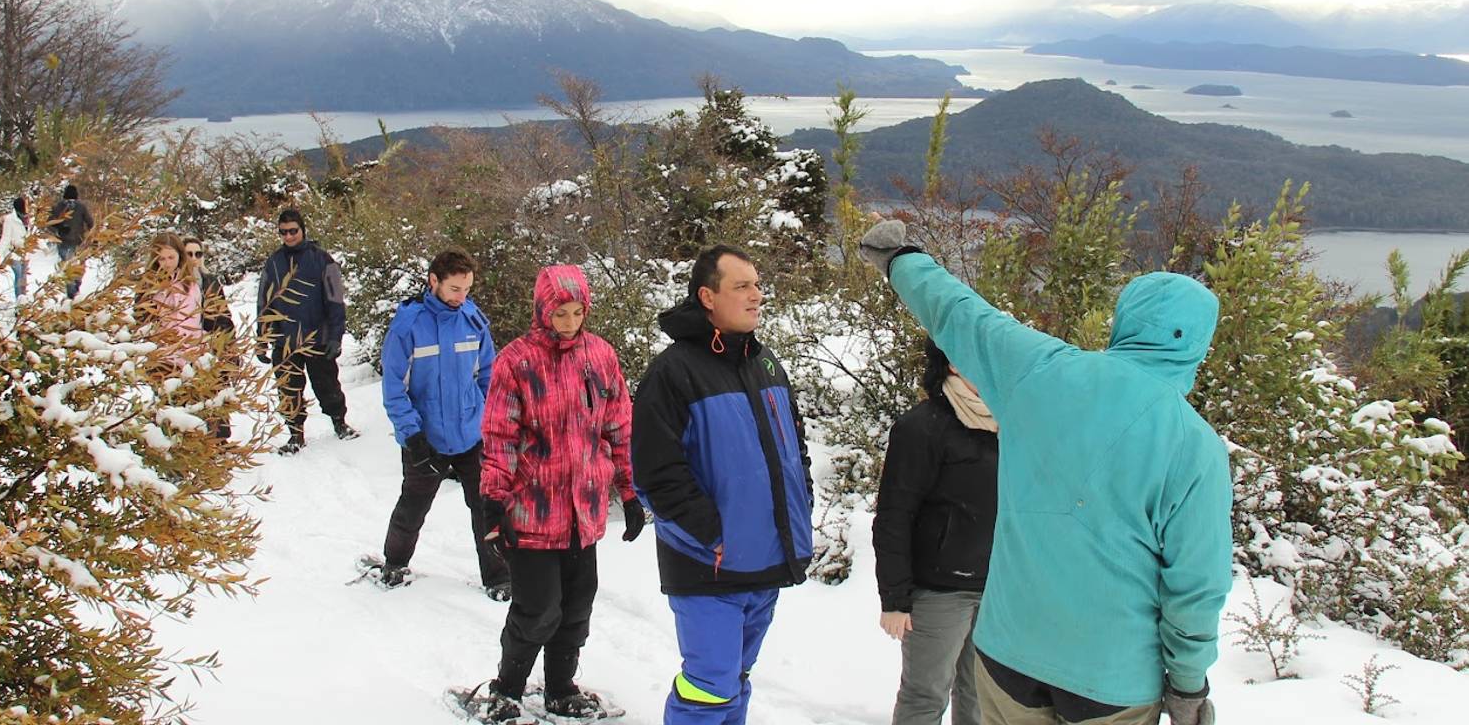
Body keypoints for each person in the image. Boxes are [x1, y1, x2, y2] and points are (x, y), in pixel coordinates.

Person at [858, 219, 1230, 725]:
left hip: (1009, 655)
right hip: (1112, 678)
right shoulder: (1195, 445)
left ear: (1124, 321)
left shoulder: (1040, 371)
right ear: (1198, 344)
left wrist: (899, 258)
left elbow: (960, 314)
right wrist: (1188, 688)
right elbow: (1196, 588)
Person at [631, 245, 813, 725]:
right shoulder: (672, 373)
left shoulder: (765, 362)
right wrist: (712, 532)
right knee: (709, 684)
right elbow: (654, 474)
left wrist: (801, 503)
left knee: (735, 677)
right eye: (742, 286)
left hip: (767, 556)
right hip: (707, 563)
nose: (757, 295)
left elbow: (795, 448)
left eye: (757, 284)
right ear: (707, 296)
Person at [472, 264, 644, 722]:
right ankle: (506, 689)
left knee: (575, 610)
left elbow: (619, 426)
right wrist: (494, 500)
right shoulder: (516, 361)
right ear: (542, 310)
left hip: (582, 513)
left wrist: (629, 492)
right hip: (532, 512)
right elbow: (499, 436)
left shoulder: (601, 356)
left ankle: (560, 688)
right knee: (537, 611)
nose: (568, 323)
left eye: (576, 313)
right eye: (559, 314)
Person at [874, 339, 999, 725]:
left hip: (995, 589)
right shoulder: (922, 427)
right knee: (925, 696)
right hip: (939, 592)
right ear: (953, 365)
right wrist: (894, 598)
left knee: (980, 697)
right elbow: (894, 515)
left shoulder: (1005, 423)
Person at [376, 248, 509, 598]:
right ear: (433, 281)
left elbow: (488, 376)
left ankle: (498, 577)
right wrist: (412, 435)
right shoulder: (408, 324)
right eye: (454, 289)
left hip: (470, 434)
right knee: (413, 505)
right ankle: (394, 562)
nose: (460, 298)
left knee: (487, 509)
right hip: (427, 437)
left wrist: (488, 421)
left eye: (466, 289)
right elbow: (393, 387)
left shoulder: (472, 319)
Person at [256, 208, 358, 454]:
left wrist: (335, 336)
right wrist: (262, 338)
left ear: (302, 230)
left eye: (293, 231)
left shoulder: (322, 259)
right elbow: (264, 302)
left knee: (327, 385)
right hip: (285, 339)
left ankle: (339, 423)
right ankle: (295, 434)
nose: (289, 236)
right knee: (288, 389)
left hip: (317, 336)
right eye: (283, 232)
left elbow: (335, 300)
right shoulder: (274, 263)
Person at [184, 236, 236, 438]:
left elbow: (224, 315)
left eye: (198, 254)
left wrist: (229, 345)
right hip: (186, 349)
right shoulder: (177, 283)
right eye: (189, 254)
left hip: (211, 346)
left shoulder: (210, 281)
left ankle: (219, 440)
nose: (194, 258)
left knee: (216, 393)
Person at [138, 232, 203, 369]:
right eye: (162, 259)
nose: (167, 263)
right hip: (161, 357)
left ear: (180, 255)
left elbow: (195, 319)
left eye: (171, 257)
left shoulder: (191, 283)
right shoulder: (149, 286)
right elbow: (142, 321)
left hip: (190, 356)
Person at [50, 183, 95, 299]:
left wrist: (59, 228)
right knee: (78, 267)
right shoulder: (81, 207)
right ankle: (75, 290)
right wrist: (92, 236)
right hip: (78, 242)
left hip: (63, 241)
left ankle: (72, 292)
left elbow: (49, 222)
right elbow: (91, 223)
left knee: (67, 267)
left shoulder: (59, 206)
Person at [0, 195, 30, 299]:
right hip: (13, 253)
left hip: (25, 252)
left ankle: (23, 300)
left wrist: (44, 248)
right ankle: (19, 300)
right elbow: (5, 238)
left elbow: (34, 235)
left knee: (23, 277)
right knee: (19, 275)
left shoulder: (29, 219)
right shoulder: (10, 220)